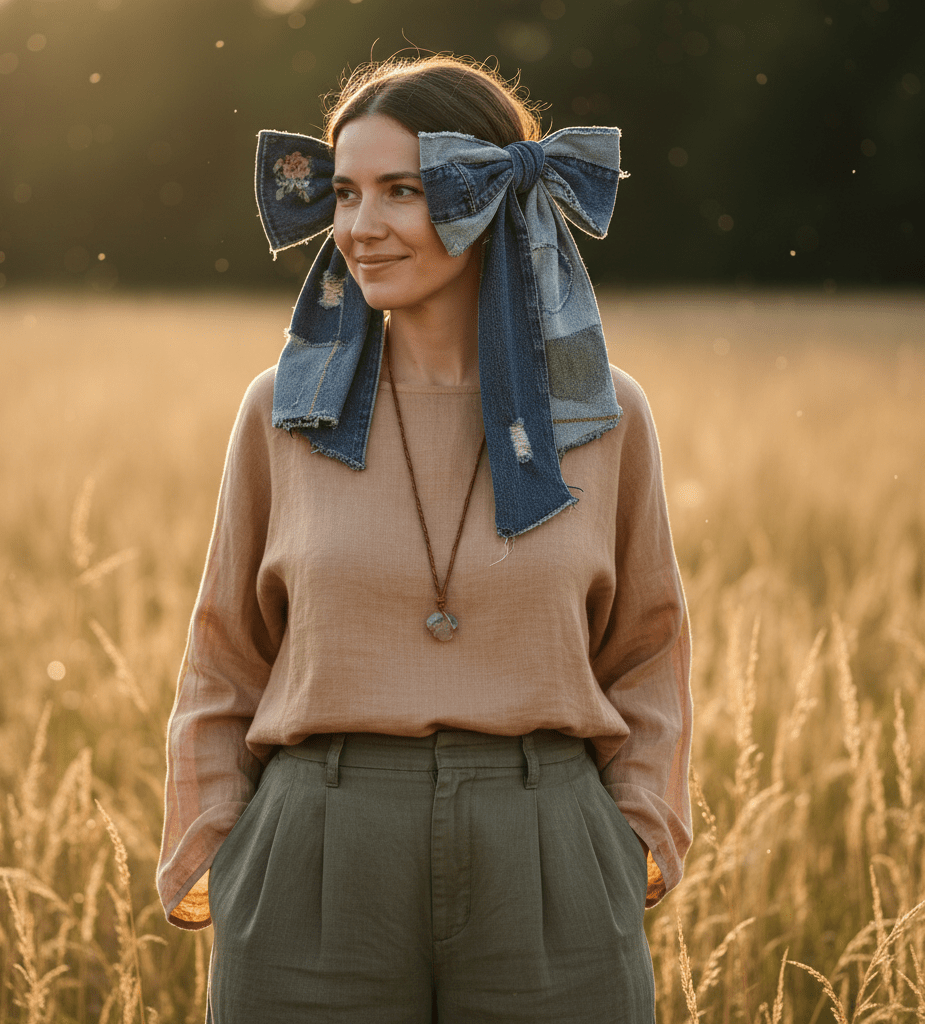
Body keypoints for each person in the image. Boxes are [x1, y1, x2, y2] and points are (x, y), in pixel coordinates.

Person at [158, 54, 692, 1024]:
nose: (360, 227)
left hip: (549, 847)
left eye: (400, 191)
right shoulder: (281, 411)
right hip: (316, 845)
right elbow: (222, 654)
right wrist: (219, 838)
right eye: (347, 192)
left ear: (492, 201)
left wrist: (634, 835)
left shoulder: (606, 413)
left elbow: (648, 648)